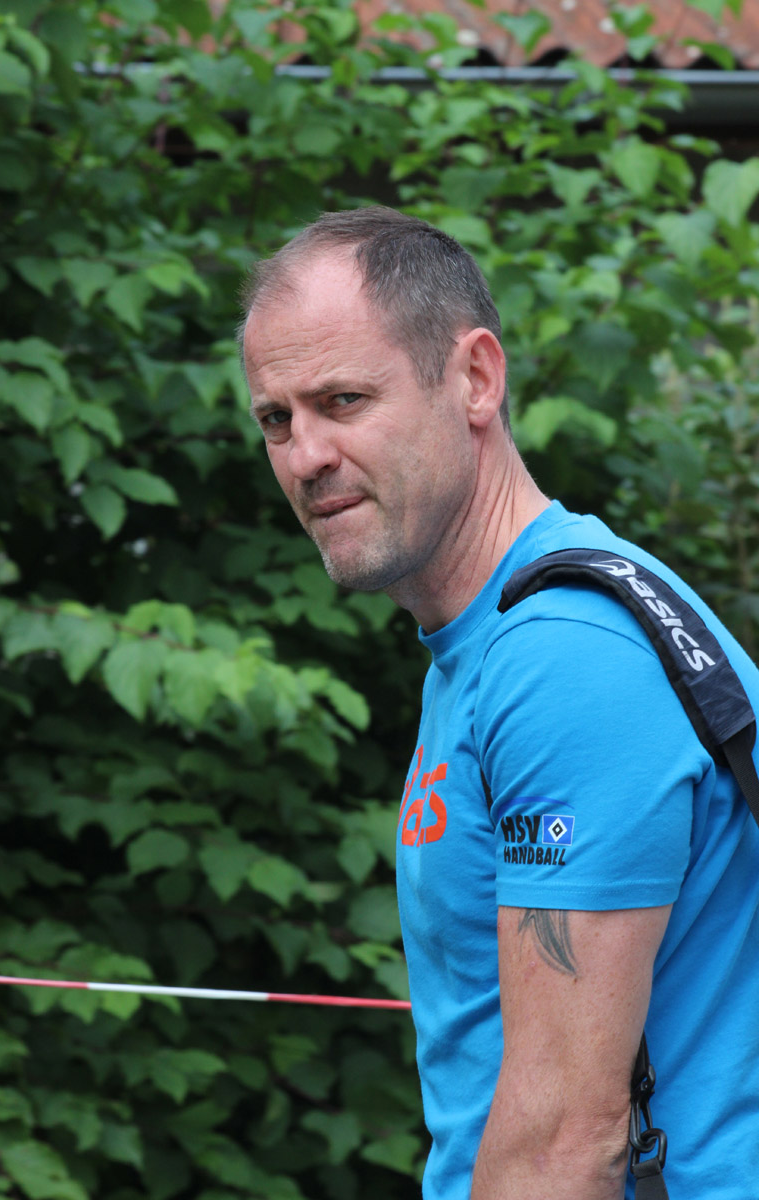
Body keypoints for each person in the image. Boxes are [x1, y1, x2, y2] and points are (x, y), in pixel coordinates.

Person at [239, 206, 759, 1200]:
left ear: (475, 379)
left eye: (343, 400)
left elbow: (566, 1141)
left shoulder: (564, 658)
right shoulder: (493, 635)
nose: (305, 456)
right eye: (277, 419)